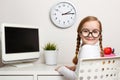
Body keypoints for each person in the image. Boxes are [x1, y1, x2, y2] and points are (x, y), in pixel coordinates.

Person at [55, 16, 104, 80]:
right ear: (80, 33)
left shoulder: (86, 49)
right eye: (86, 31)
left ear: (99, 35)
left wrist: (61, 69)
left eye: (95, 31)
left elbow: (76, 77)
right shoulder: (96, 49)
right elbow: (89, 69)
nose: (90, 35)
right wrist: (76, 67)